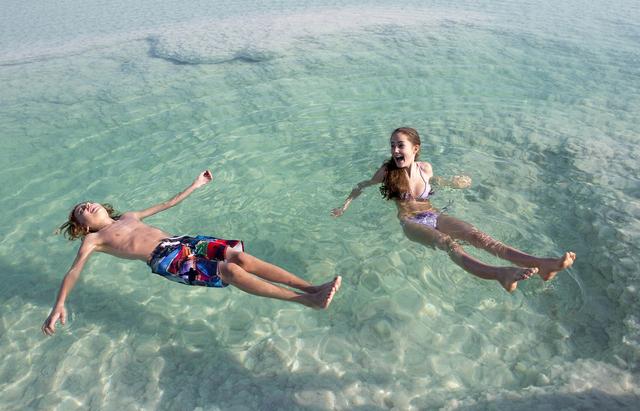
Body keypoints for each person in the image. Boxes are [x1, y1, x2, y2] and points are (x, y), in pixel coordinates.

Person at [43, 170, 341, 336]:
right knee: (230, 272)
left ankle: (313, 287)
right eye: (81, 211)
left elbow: (168, 204)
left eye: (87, 202)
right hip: (167, 261)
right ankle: (307, 301)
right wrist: (59, 304)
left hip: (185, 241)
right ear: (82, 226)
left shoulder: (130, 216)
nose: (87, 206)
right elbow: (74, 271)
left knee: (240, 257)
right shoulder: (93, 241)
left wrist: (196, 184)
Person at [331, 127, 575, 292]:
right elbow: (363, 185)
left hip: (433, 214)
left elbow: (434, 184)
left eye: (400, 145)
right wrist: (345, 204)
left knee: (477, 236)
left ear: (415, 148)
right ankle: (499, 274)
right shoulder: (387, 171)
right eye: (392, 145)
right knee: (449, 243)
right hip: (410, 222)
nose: (395, 150)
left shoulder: (425, 168)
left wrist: (452, 184)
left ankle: (543, 264)